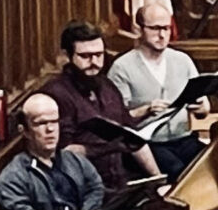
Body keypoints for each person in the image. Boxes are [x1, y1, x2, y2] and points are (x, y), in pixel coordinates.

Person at [40, 19, 157, 194]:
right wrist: (110, 146)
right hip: (83, 190)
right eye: (85, 56)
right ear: (67, 56)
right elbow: (63, 153)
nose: (94, 62)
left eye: (99, 55)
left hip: (119, 183)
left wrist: (158, 179)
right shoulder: (56, 94)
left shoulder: (107, 85)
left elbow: (133, 138)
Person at [0, 92, 105, 210]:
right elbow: (15, 206)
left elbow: (95, 187)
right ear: (24, 130)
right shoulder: (14, 175)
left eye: (54, 122)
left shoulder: (74, 160)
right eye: (41, 123)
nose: (50, 129)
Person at [109, 1, 207, 179]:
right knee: (179, 173)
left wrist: (201, 107)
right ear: (140, 29)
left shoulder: (182, 60)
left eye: (166, 28)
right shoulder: (122, 67)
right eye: (155, 28)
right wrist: (145, 110)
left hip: (183, 137)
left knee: (211, 165)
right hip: (148, 144)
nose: (162, 35)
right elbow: (115, 121)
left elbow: (204, 109)